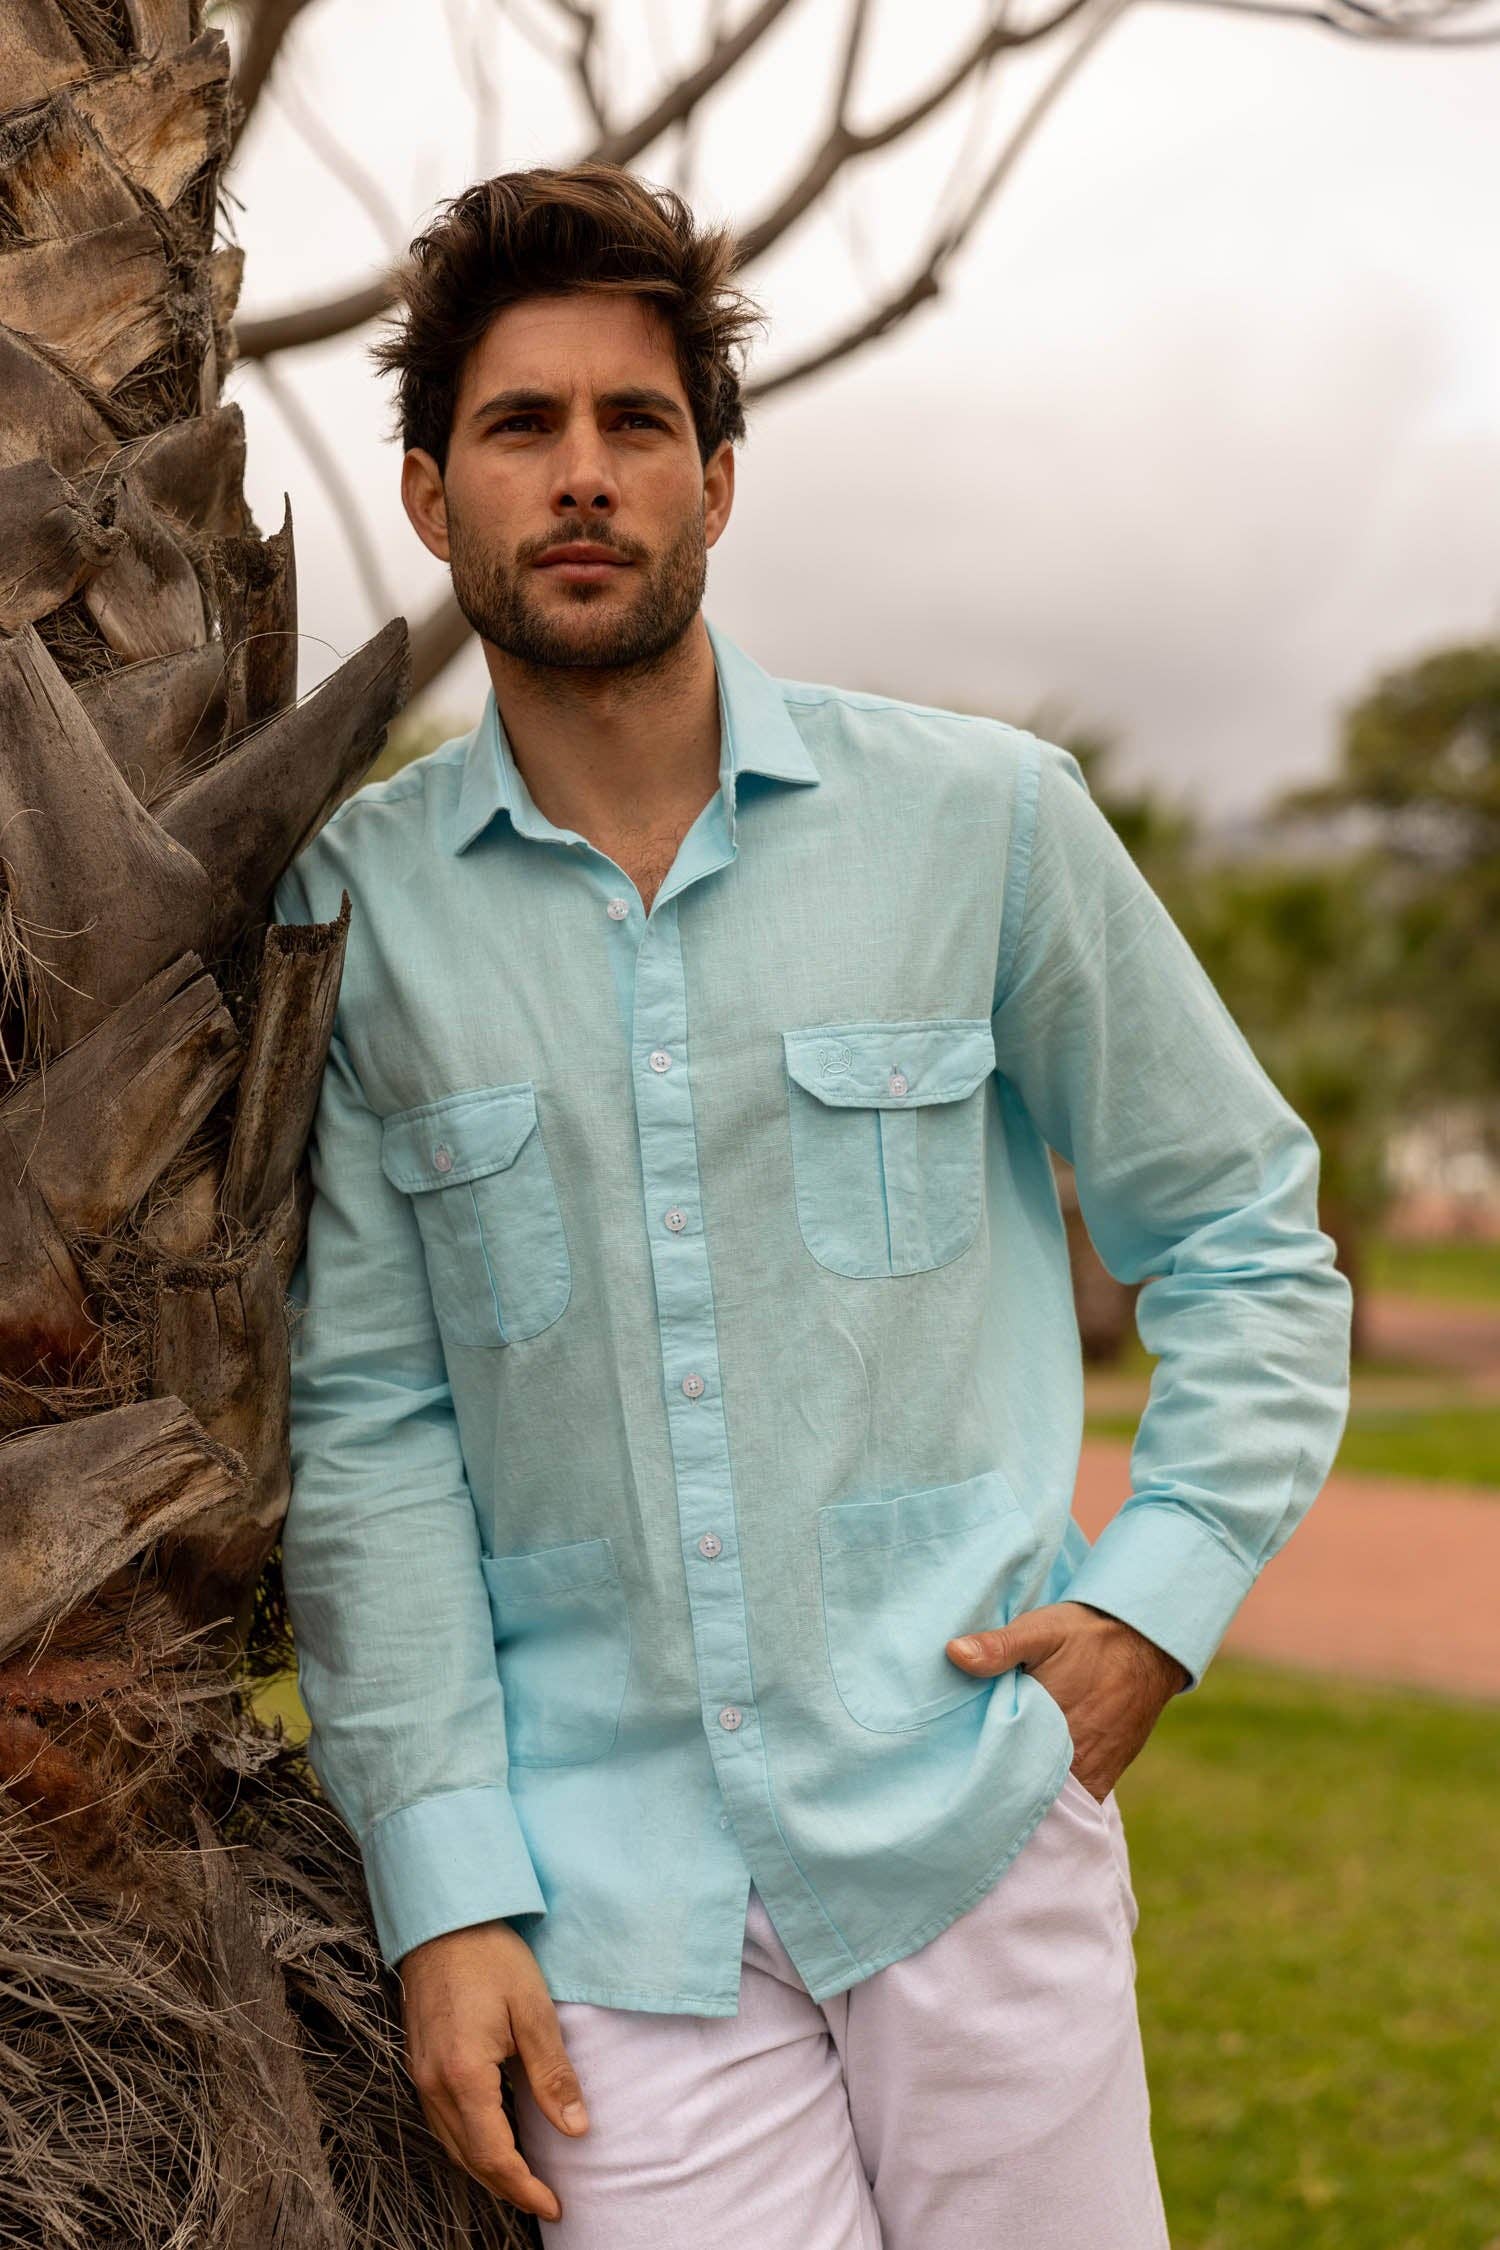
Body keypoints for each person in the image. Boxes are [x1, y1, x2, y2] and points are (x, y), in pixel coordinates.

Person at [272, 161, 1353, 2247]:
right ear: (427, 494)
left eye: (637, 421)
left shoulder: (985, 824)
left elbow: (1243, 1229)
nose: (583, 474)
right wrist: (446, 1888)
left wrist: (1161, 1597)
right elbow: (373, 1431)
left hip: (973, 1828)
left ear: (716, 479)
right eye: (519, 426)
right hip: (605, 1913)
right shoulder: (357, 916)